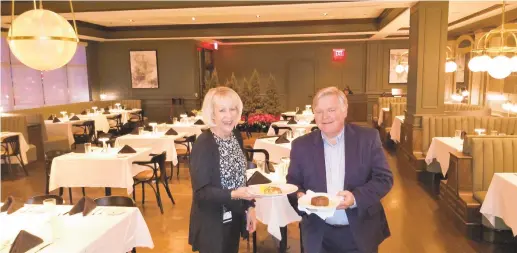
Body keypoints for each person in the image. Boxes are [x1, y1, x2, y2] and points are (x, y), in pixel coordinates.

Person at [286, 86, 393, 253]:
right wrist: (300, 196)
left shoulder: (368, 139)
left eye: (331, 110)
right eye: (319, 111)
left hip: (359, 231)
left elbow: (384, 179)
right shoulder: (301, 145)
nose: (325, 116)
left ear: (344, 111)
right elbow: (292, 183)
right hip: (319, 234)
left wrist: (355, 197)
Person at [189, 87, 257, 253]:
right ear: (212, 114)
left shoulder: (236, 136)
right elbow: (201, 193)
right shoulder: (204, 144)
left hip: (233, 217)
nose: (229, 115)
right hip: (212, 225)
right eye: (222, 110)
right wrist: (234, 194)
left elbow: (241, 178)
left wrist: (250, 207)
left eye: (233, 109)